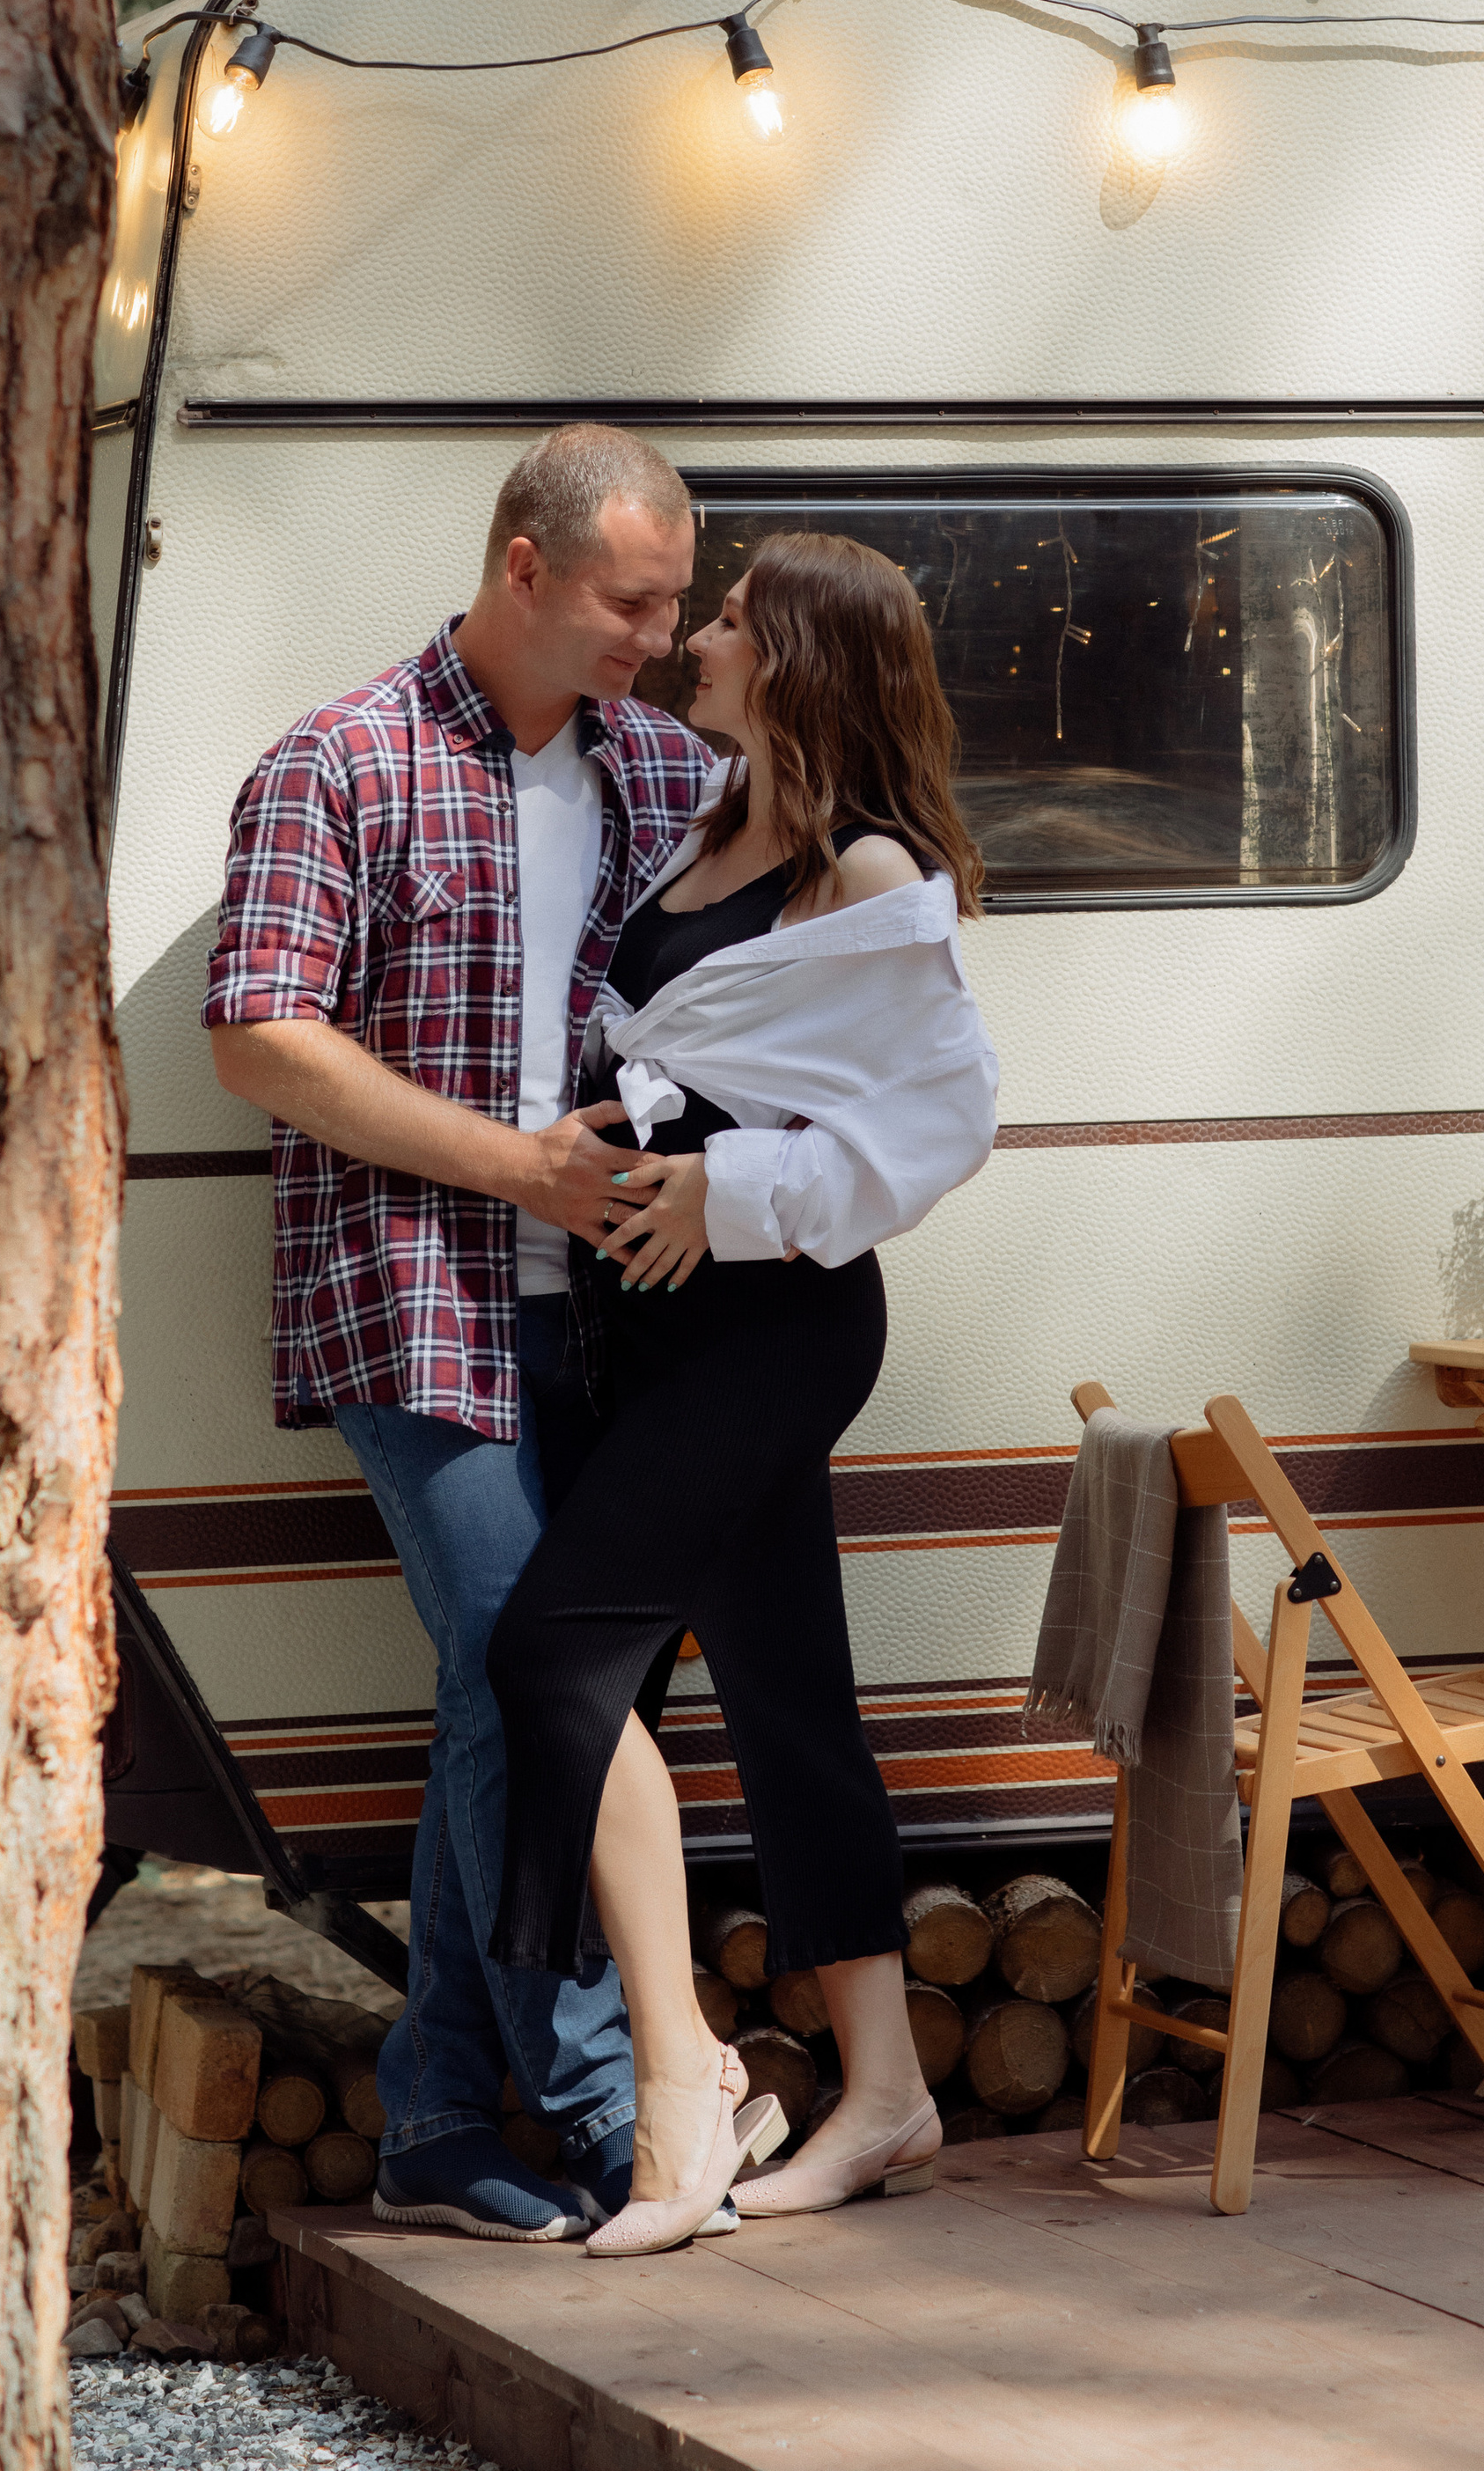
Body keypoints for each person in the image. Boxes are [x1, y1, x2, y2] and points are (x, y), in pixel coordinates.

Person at [202, 423, 714, 2240]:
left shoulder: (669, 769)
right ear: (521, 564)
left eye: (672, 606)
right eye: (627, 601)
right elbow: (259, 1032)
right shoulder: (340, 762)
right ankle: (608, 2103)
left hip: (623, 1321)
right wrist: (515, 1169)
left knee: (499, 1704)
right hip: (411, 1299)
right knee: (531, 1671)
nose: (655, 637)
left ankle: (426, 2123)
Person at [485, 528, 1001, 2257]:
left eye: (722, 619)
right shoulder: (715, 823)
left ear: (794, 655)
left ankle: (683, 2077)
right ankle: (884, 2091)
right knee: (787, 1698)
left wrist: (735, 1196)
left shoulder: (864, 872)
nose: (696, 638)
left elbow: (947, 1121)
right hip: (659, 1330)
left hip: (777, 1324)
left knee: (553, 1649)